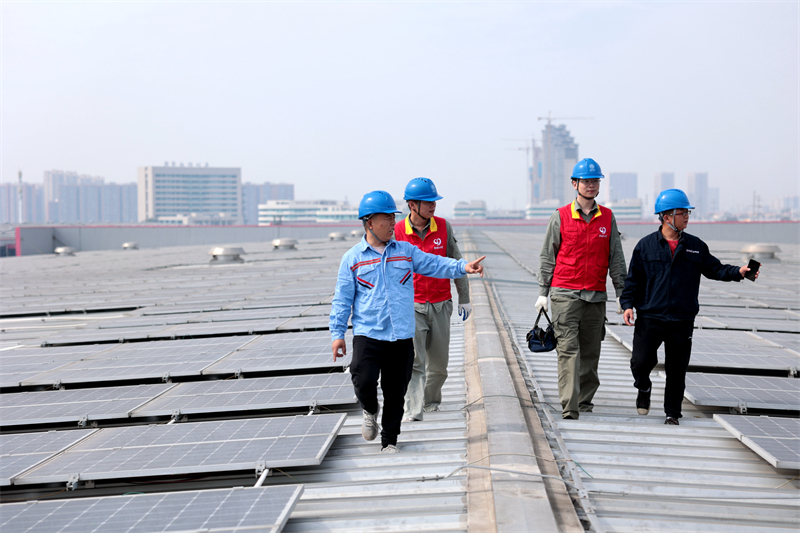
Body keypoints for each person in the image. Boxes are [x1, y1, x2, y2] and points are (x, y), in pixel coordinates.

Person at [330, 190, 485, 454]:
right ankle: (369, 409)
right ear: (368, 222)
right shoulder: (353, 259)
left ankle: (389, 441)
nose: (393, 223)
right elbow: (342, 300)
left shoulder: (405, 252)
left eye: (393, 217)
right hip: (368, 334)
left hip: (401, 335)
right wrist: (337, 334)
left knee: (396, 392)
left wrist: (462, 267)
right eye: (386, 218)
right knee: (363, 378)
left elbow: (435, 264)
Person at [620, 189, 758, 425]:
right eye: (682, 212)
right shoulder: (645, 247)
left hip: (681, 318)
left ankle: (672, 413)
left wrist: (739, 272)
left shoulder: (695, 246)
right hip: (650, 317)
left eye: (687, 212)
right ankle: (643, 387)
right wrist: (627, 305)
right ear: (666, 217)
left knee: (677, 369)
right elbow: (633, 279)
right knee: (640, 361)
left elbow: (716, 269)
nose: (687, 216)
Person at [536, 158, 627, 420]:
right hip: (565, 293)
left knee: (590, 352)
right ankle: (570, 406)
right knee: (568, 350)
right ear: (574, 184)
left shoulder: (607, 218)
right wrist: (543, 291)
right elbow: (547, 255)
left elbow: (616, 258)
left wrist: (623, 294)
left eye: (595, 181)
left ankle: (585, 401)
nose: (590, 185)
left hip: (596, 296)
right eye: (586, 181)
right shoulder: (561, 216)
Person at [394, 177, 471, 422]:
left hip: (440, 305)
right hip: (411, 306)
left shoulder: (444, 227)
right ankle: (414, 410)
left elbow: (456, 263)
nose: (433, 206)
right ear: (412, 205)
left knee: (438, 365)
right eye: (427, 202)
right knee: (415, 361)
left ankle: (431, 401)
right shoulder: (397, 232)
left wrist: (464, 298)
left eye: (434, 201)